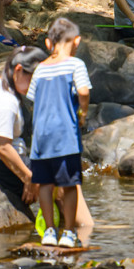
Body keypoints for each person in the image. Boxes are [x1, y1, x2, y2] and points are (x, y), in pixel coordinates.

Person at [27, 17, 91, 248]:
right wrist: (82, 113)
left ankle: (50, 233)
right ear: (77, 41)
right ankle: (69, 232)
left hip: (41, 139)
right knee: (69, 184)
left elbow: (33, 99)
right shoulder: (76, 64)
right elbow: (83, 92)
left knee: (45, 184)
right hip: (66, 137)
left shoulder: (40, 69)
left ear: (48, 43)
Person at [0, 46, 47, 211]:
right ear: (18, 70)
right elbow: (3, 148)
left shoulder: (4, 84)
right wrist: (28, 178)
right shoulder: (4, 101)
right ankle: (66, 226)